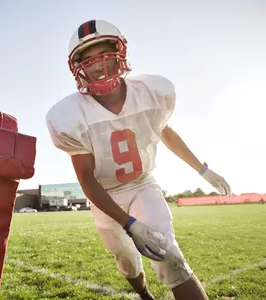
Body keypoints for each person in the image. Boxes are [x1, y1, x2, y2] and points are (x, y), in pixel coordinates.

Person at [46, 19, 232, 300]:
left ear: (120, 53)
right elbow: (86, 177)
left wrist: (203, 170)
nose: (97, 65)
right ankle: (145, 295)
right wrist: (129, 223)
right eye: (88, 60)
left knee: (168, 253)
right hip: (105, 195)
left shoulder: (151, 91)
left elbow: (165, 133)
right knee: (128, 262)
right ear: (78, 68)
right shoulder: (69, 115)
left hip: (143, 184)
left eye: (103, 54)